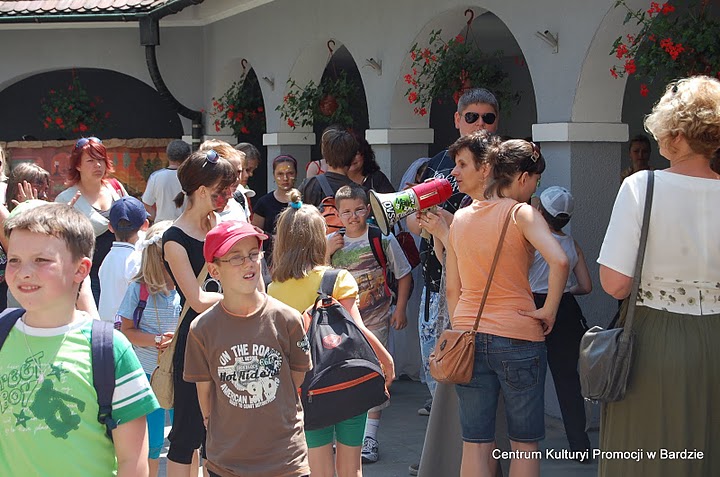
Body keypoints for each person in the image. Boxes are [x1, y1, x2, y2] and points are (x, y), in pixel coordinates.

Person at [597, 76, 720, 477]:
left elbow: (614, 283)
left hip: (654, 340)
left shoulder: (641, 186)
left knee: (646, 457)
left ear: (679, 135)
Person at [0, 202, 159, 475]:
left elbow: (134, 461)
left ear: (80, 270)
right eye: (14, 260)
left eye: (41, 260)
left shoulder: (108, 348)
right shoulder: (4, 333)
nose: (24, 271)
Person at [444, 135, 569, 477]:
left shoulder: (461, 219)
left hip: (468, 334)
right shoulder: (521, 213)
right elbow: (559, 261)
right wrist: (549, 310)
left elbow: (453, 288)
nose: (534, 189)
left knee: (476, 443)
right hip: (518, 336)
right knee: (524, 443)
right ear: (522, 177)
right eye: (536, 181)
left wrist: (465, 326)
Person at [268, 189, 395, 477]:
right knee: (352, 468)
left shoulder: (273, 289)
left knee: (318, 468)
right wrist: (385, 361)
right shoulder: (338, 278)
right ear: (319, 238)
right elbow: (358, 330)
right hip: (348, 378)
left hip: (307, 388)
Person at [184, 220, 312, 477]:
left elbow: (296, 374)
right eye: (235, 258)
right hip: (228, 463)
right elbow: (205, 393)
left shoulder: (286, 318)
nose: (248, 263)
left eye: (253, 254)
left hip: (285, 460)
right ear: (214, 270)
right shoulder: (202, 329)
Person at [409, 88, 500, 416]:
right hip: (436, 284)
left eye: (487, 118)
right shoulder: (435, 164)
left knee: (468, 377)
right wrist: (422, 222)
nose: (480, 124)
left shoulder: (501, 169)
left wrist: (445, 229)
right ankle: (441, 453)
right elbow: (411, 219)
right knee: (438, 366)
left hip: (475, 290)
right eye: (472, 116)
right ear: (458, 119)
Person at [162, 148, 236, 476]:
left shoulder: (219, 224)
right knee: (186, 434)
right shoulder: (174, 239)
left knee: (219, 433)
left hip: (227, 337)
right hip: (195, 343)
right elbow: (194, 299)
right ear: (203, 191)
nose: (228, 195)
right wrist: (239, 297)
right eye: (223, 190)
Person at [327, 184, 411, 464]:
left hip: (375, 322)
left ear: (368, 209)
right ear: (337, 214)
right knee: (344, 377)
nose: (353, 217)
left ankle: (370, 437)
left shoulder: (381, 238)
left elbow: (403, 274)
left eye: (359, 210)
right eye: (346, 212)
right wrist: (326, 252)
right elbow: (316, 275)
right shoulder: (332, 242)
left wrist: (400, 309)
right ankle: (348, 436)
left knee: (375, 376)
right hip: (339, 324)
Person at [528, 186, 592, 456]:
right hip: (565, 309)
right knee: (567, 380)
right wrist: (566, 291)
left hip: (531, 305)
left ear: (541, 211)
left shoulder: (533, 241)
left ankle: (524, 442)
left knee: (528, 380)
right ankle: (580, 445)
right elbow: (586, 286)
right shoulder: (571, 244)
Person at [118, 220, 180, 477]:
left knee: (184, 439)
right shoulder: (138, 288)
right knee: (153, 444)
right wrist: (156, 340)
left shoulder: (185, 285)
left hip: (180, 372)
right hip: (148, 374)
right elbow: (127, 331)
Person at [55, 137, 128, 305]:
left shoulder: (115, 188)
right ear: (78, 165)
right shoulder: (66, 198)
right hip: (88, 276)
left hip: (122, 272)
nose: (98, 165)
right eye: (91, 160)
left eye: (101, 160)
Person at [98, 196, 149, 325]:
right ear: (145, 225)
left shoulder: (107, 259)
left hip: (105, 327)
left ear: (110, 227)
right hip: (127, 328)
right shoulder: (138, 260)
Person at [252, 154, 297, 266]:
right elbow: (255, 233)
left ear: (296, 174)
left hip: (298, 258)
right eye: (280, 174)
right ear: (273, 175)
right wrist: (272, 238)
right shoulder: (263, 203)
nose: (285, 178)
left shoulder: (304, 200)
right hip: (271, 261)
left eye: (290, 173)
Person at [299, 128, 357, 207]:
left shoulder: (309, 185)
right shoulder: (359, 192)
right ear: (353, 158)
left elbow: (293, 216)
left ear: (325, 155)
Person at [200, 140, 248, 222]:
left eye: (239, 172)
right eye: (229, 173)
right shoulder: (199, 206)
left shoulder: (239, 197)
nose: (236, 179)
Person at [143, 139, 190, 222]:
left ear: (167, 156)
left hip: (162, 227)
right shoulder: (192, 177)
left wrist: (157, 219)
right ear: (188, 157)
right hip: (186, 227)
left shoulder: (156, 177)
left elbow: (147, 205)